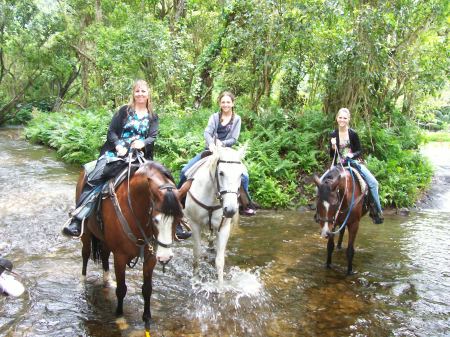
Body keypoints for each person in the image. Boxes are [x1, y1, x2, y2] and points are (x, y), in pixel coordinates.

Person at [62, 79, 159, 237]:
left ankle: (174, 223)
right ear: (133, 94)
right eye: (137, 91)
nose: (140, 94)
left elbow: (152, 137)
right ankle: (78, 218)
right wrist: (119, 145)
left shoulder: (153, 116)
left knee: (163, 181)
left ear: (148, 94)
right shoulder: (124, 111)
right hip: (117, 153)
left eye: (143, 91)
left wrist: (142, 143)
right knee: (95, 177)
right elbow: (111, 131)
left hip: (141, 156)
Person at [178, 91, 256, 216]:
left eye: (228, 102)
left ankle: (244, 205)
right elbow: (207, 133)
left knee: (245, 177)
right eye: (223, 102)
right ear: (220, 103)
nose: (225, 104)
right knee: (185, 171)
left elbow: (234, 139)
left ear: (232, 103)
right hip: (211, 150)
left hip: (227, 151)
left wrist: (222, 144)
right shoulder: (214, 117)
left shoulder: (237, 119)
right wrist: (212, 144)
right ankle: (179, 200)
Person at [329, 107, 384, 224]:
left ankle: (376, 211)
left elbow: (359, 150)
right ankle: (320, 212)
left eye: (345, 118)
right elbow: (331, 155)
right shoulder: (333, 134)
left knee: (373, 183)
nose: (342, 120)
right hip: (338, 164)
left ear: (348, 119)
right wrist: (333, 147)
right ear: (336, 118)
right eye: (340, 117)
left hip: (352, 163)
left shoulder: (353, 133)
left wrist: (351, 155)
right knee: (322, 183)